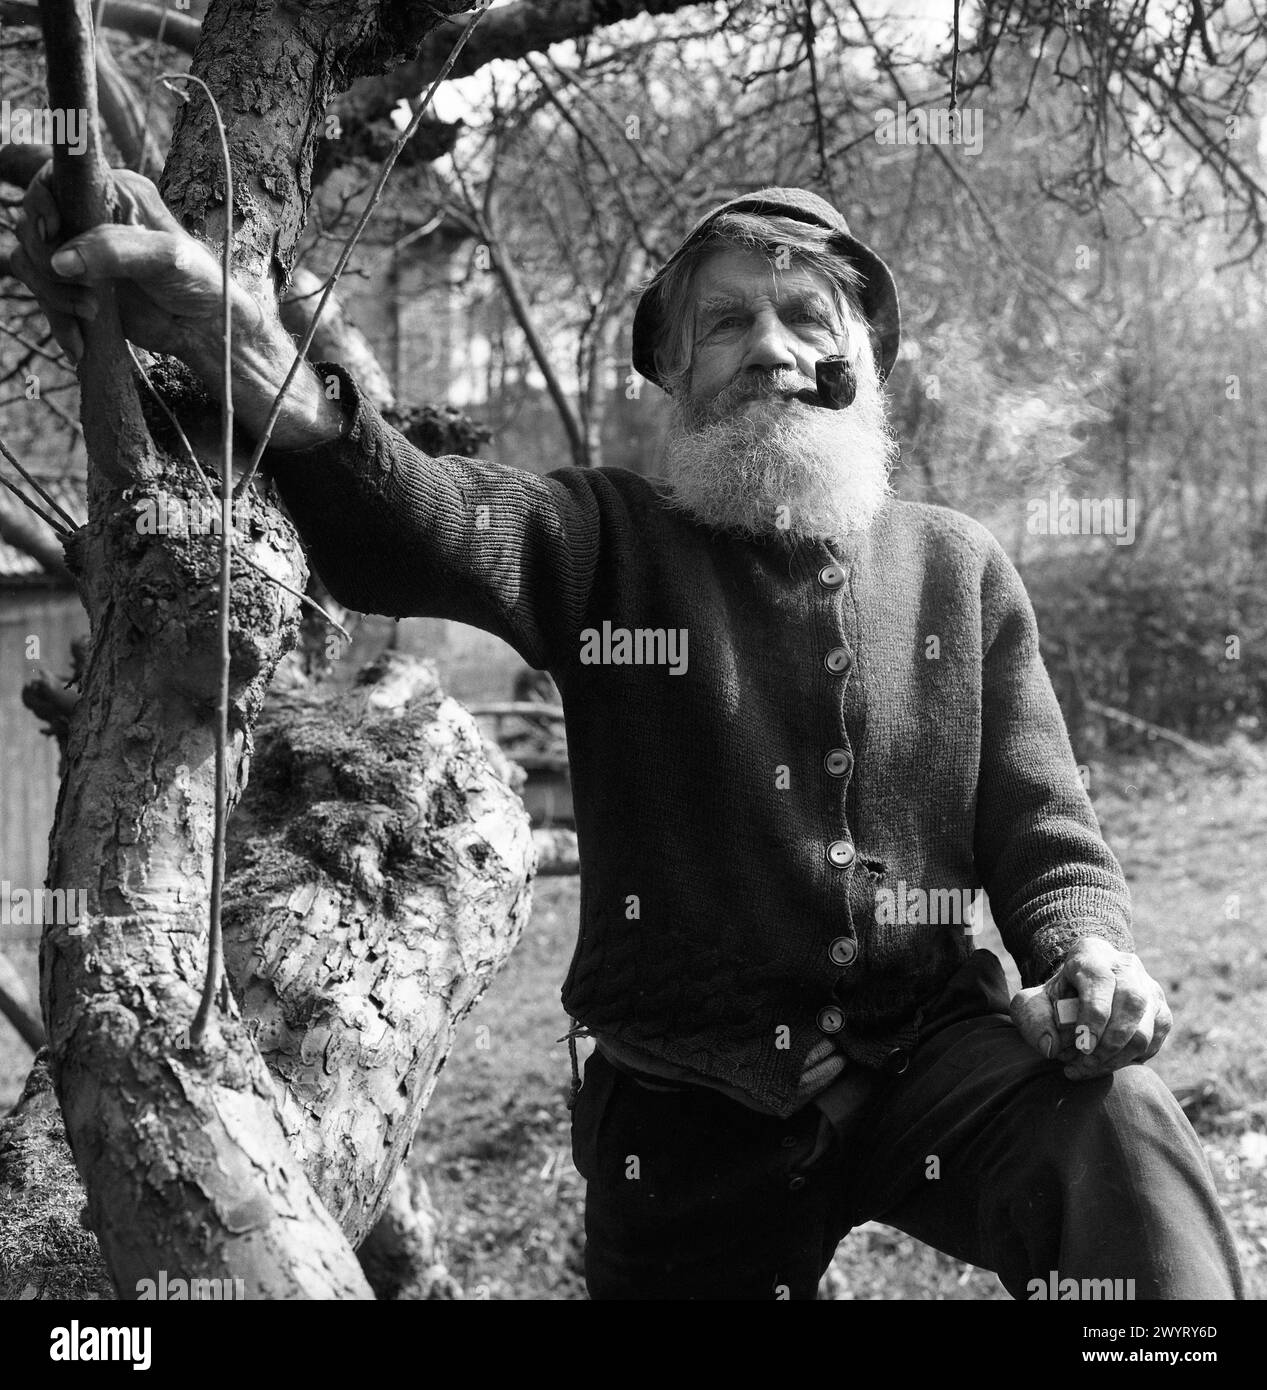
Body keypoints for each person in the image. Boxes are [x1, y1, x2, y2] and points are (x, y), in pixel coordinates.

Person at [8, 168, 1243, 1301]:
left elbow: (1044, 835)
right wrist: (255, 353)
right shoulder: (606, 539)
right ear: (675, 377)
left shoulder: (958, 569)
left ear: (863, 355)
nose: (768, 346)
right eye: (723, 322)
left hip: (933, 1053)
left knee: (1116, 1135)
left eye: (808, 315)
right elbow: (420, 523)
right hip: (688, 1107)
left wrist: (1087, 953)